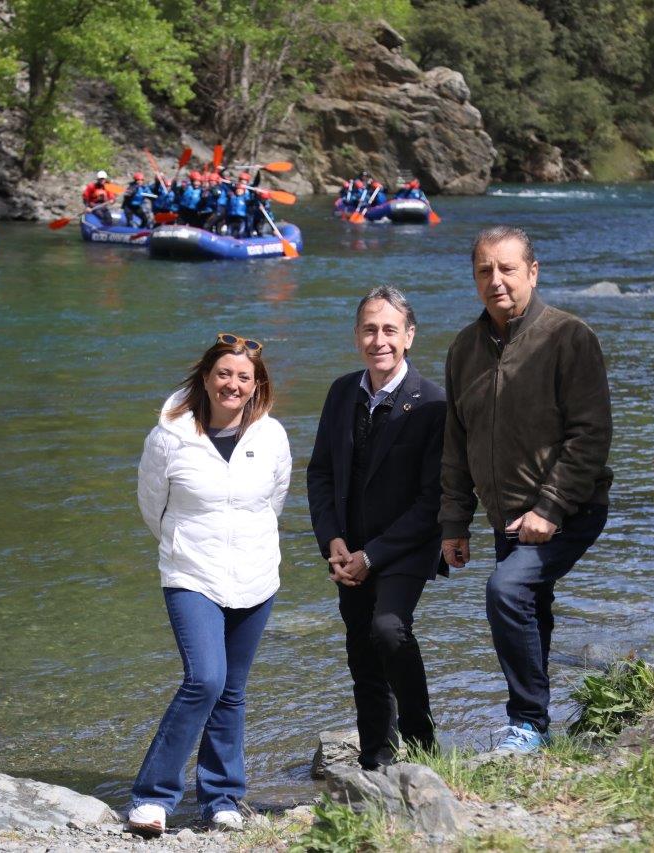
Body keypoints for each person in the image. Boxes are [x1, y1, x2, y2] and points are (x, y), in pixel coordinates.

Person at [440, 225, 613, 753]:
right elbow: (456, 444)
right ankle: (538, 727)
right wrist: (453, 523)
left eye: (508, 268)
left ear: (532, 273)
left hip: (569, 507)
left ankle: (527, 722)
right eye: (485, 270)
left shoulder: (569, 337)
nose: (497, 280)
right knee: (529, 604)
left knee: (506, 591)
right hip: (505, 513)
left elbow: (591, 434)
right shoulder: (464, 349)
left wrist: (550, 507)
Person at [128, 334, 292, 837]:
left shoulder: (272, 437)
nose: (233, 384)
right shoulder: (169, 437)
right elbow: (151, 506)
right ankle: (153, 796)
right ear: (205, 377)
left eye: (245, 377)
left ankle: (221, 798)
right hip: (191, 574)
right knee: (205, 679)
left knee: (232, 691)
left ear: (256, 385)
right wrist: (184, 544)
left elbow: (276, 500)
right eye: (224, 374)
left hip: (256, 577)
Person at [306, 286, 447, 769]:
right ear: (356, 336)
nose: (379, 339)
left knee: (389, 630)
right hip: (348, 550)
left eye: (390, 329)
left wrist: (373, 556)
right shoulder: (342, 391)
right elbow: (321, 472)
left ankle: (424, 748)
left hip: (406, 547)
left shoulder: (432, 403)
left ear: (409, 336)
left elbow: (434, 501)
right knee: (363, 652)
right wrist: (334, 543)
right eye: (369, 328)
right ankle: (376, 761)